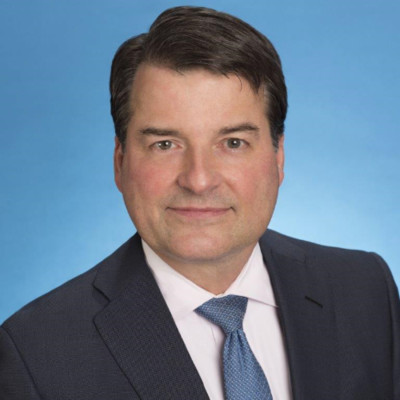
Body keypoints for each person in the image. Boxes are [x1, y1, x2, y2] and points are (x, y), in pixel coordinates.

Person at [0, 6, 399, 400]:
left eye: (233, 143)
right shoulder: (36, 355)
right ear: (120, 163)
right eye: (165, 144)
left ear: (278, 158)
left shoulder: (366, 292)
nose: (199, 180)